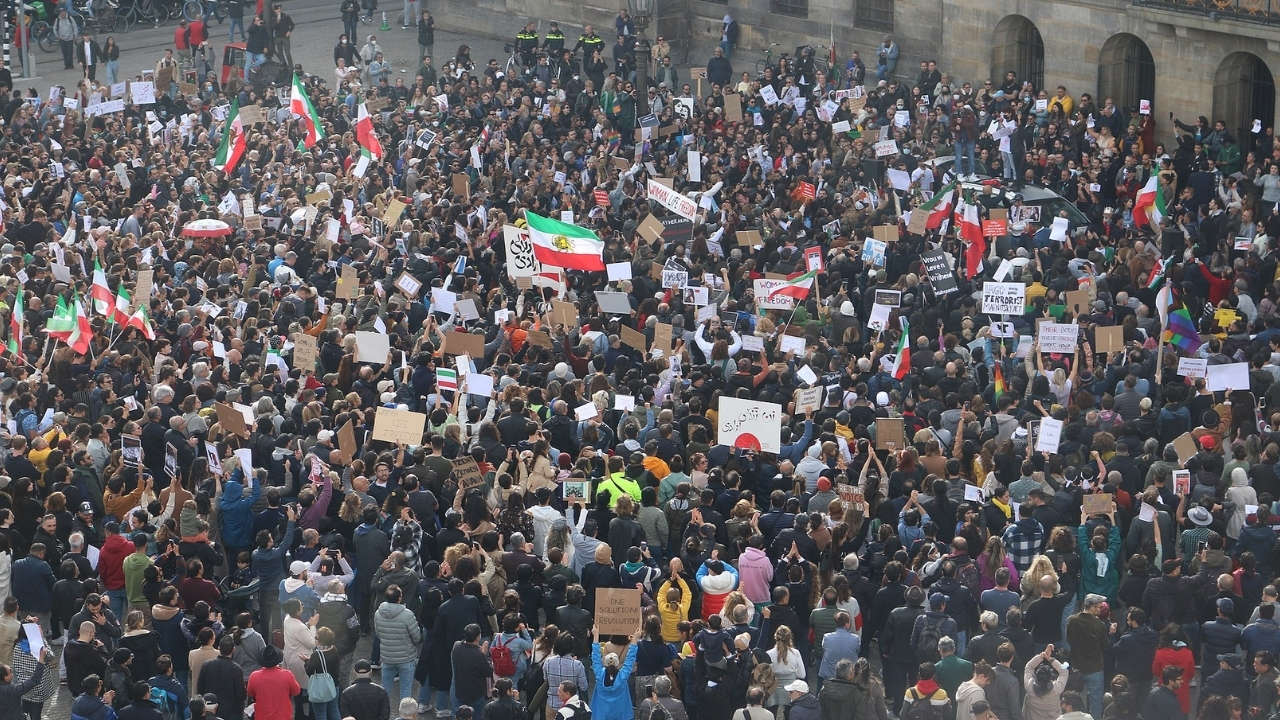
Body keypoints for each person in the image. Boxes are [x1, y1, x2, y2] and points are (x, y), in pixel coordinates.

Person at [245, 646, 301, 720]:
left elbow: (250, 693)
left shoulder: (254, 676)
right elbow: (296, 691)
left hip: (262, 716)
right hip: (283, 716)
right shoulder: (287, 675)